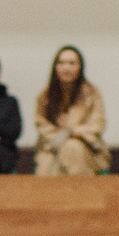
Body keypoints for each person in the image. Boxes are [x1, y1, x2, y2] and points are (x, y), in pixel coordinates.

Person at [33, 45, 108, 176]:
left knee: (72, 148)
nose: (66, 68)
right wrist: (59, 138)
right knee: (47, 164)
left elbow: (97, 125)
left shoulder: (92, 94)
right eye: (61, 63)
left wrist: (71, 132)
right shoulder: (45, 96)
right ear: (55, 67)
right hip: (52, 147)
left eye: (72, 63)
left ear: (80, 67)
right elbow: (42, 126)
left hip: (85, 148)